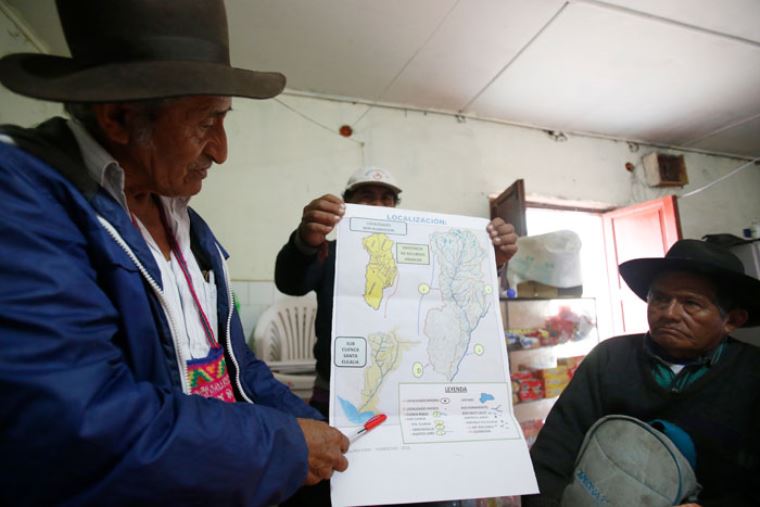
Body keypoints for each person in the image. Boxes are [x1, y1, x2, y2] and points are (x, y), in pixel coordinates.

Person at [0, 1, 348, 505]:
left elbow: (236, 368)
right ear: (119, 117)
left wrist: (325, 435)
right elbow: (75, 420)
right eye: (206, 122)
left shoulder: (184, 220)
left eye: (223, 120)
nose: (221, 150)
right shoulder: (22, 198)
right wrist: (283, 444)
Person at [522, 239, 760, 507]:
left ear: (732, 320)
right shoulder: (610, 359)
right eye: (660, 298)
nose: (669, 313)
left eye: (691, 303)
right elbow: (552, 454)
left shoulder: (753, 374)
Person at [275, 166, 519, 417]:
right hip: (335, 394)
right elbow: (291, 284)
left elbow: (453, 291)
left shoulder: (417, 253)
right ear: (347, 203)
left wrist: (492, 260)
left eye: (386, 199)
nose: (378, 205)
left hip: (411, 394)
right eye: (366, 197)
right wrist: (304, 242)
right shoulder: (329, 251)